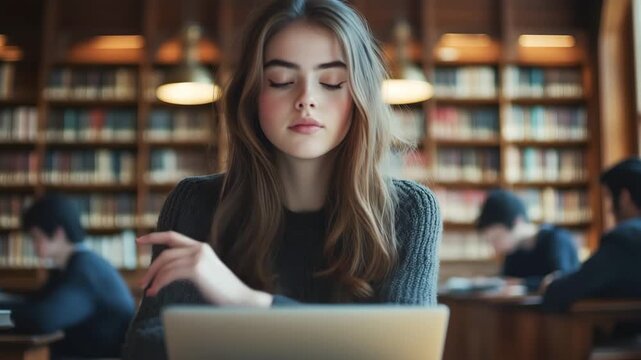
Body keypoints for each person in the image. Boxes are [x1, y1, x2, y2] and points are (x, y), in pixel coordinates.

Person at [122, 0, 442, 358]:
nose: (306, 99)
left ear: (361, 96)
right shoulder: (196, 203)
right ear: (252, 94)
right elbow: (147, 347)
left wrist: (247, 304)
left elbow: (402, 351)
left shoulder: (410, 210)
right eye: (281, 81)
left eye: (332, 82)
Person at [2, 193, 135, 359]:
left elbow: (42, 319)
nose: (34, 246)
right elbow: (34, 302)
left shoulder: (84, 271)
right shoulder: (76, 265)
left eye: (36, 237)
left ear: (58, 233)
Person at [543, 157, 641, 312]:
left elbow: (567, 290)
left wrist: (552, 284)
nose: (609, 210)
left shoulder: (625, 239)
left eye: (609, 197)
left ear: (624, 197)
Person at [476, 189, 580, 292]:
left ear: (518, 222)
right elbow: (507, 282)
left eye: (497, 238)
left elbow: (561, 282)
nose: (495, 247)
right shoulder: (513, 253)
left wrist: (521, 283)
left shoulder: (556, 240)